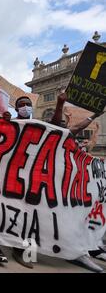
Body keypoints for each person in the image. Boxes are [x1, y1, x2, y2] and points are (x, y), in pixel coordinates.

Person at [51, 92, 105, 273]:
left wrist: (94, 123)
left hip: (76, 189)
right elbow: (60, 125)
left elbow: (87, 140)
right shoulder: (55, 136)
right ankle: (73, 251)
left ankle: (87, 248)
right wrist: (60, 104)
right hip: (58, 189)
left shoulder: (75, 144)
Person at [0, 96, 34, 268]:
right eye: (21, 105)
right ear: (16, 109)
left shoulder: (40, 127)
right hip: (7, 176)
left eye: (28, 105)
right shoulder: (10, 123)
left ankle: (22, 250)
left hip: (29, 179)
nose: (25, 107)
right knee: (1, 212)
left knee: (30, 215)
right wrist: (2, 121)